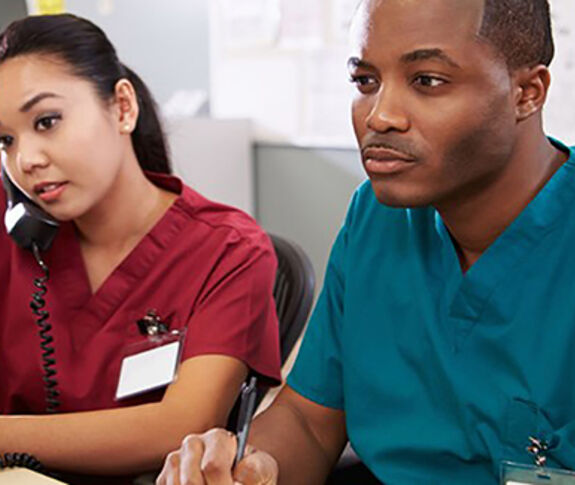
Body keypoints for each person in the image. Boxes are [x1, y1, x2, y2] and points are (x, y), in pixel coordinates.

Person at [156, 0, 575, 483]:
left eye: (427, 81)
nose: (380, 116)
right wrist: (252, 468)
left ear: (527, 92)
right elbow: (310, 421)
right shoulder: (377, 218)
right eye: (366, 82)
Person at [0, 13, 281, 484]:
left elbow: (178, 427)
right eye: (5, 140)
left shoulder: (229, 250)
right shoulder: (15, 229)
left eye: (47, 121)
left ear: (122, 108)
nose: (26, 159)